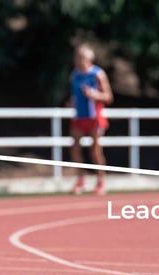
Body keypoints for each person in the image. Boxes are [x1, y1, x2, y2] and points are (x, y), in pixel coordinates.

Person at [69, 44, 113, 196]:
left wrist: (94, 95)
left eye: (81, 57)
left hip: (95, 117)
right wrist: (71, 102)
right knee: (74, 147)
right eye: (76, 57)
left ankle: (101, 181)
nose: (78, 60)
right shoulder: (74, 75)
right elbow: (75, 95)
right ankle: (80, 180)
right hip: (79, 116)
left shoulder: (97, 74)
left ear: (89, 59)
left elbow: (108, 96)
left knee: (95, 150)